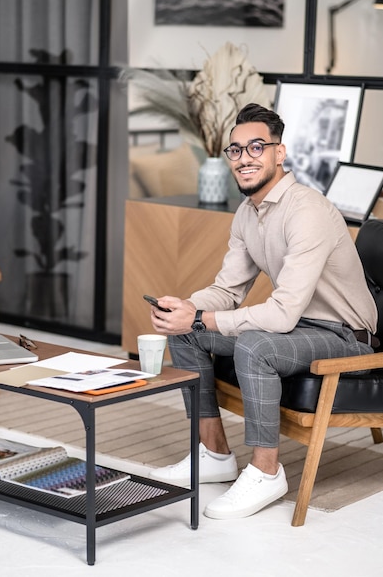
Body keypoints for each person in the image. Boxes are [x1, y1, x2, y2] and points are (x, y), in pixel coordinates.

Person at [146, 102, 378, 520]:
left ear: (279, 153)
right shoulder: (247, 213)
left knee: (255, 345)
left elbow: (282, 316)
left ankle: (267, 471)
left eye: (256, 147)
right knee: (186, 331)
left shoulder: (306, 210)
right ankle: (213, 452)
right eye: (235, 150)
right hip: (299, 328)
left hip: (345, 337)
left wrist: (200, 317)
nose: (244, 158)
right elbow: (227, 289)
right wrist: (187, 309)